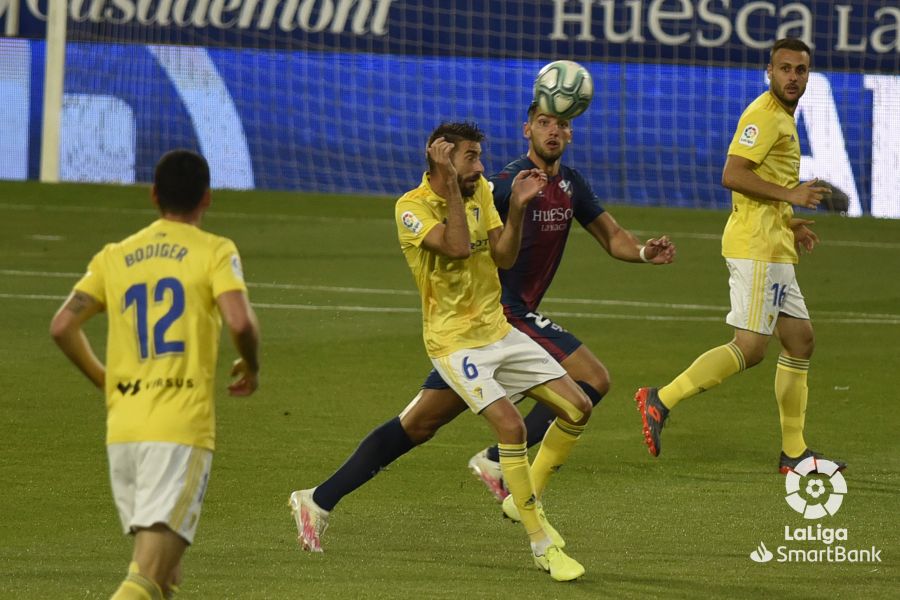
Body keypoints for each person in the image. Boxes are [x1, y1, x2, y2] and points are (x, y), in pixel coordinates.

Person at [290, 115, 674, 577]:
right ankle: (540, 543)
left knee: (571, 406)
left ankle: (316, 499)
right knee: (510, 429)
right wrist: (454, 187)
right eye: (471, 157)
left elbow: (504, 256)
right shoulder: (411, 207)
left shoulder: (486, 195)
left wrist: (516, 212)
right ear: (443, 157)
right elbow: (453, 247)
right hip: (455, 344)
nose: (481, 166)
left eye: (479, 156)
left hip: (498, 330)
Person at [50, 150, 261, 599]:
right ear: (206, 198)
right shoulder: (214, 251)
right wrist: (252, 365)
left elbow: (63, 325)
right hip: (178, 432)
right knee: (146, 578)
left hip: (123, 432)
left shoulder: (115, 256)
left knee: (162, 579)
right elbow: (240, 322)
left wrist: (105, 380)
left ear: (153, 195)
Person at [634, 37, 846, 475]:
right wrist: (791, 195)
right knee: (749, 348)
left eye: (800, 70)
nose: (792, 76)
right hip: (756, 249)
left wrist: (788, 220)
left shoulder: (784, 119)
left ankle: (794, 453)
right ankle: (661, 399)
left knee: (800, 340)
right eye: (784, 68)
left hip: (774, 244)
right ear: (769, 71)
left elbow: (761, 184)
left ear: (808, 75)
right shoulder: (763, 116)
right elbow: (732, 174)